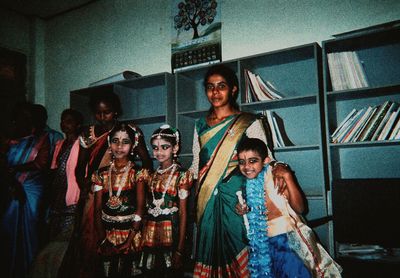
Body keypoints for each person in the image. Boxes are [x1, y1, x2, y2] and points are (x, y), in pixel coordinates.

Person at [191, 64, 288, 277]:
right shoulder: (200, 125)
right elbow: (196, 165)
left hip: (238, 198)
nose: (215, 92)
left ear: (233, 89)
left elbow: (267, 158)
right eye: (210, 87)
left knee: (241, 244)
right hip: (206, 200)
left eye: (221, 86)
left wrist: (281, 168)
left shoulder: (248, 122)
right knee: (208, 249)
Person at [60, 91, 152, 278]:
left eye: (107, 112)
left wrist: (138, 183)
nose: (102, 117)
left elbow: (146, 161)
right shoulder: (88, 133)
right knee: (89, 236)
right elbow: (80, 167)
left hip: (125, 192)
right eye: (98, 113)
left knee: (126, 242)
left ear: (116, 111)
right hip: (98, 190)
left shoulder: (130, 132)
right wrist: (86, 188)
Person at [236, 137, 342, 277]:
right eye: (242, 162)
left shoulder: (276, 178)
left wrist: (287, 176)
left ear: (266, 161)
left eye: (253, 161)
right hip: (263, 243)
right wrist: (242, 209)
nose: (247, 166)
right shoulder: (247, 184)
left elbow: (300, 209)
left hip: (287, 240)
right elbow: (253, 212)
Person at [30, 108, 84, 278]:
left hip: (73, 197)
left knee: (65, 246)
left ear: (78, 124)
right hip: (58, 197)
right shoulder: (60, 144)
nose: (64, 124)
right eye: (62, 120)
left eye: (68, 120)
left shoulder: (81, 144)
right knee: (52, 240)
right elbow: (53, 170)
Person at [0, 101, 51, 277]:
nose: (23, 119)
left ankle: (31, 267)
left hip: (32, 188)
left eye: (27, 116)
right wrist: (13, 183)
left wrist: (17, 170)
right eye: (20, 116)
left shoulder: (42, 139)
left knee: (31, 226)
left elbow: (41, 163)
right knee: (8, 226)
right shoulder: (7, 139)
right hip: (9, 187)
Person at [93, 123, 147, 277]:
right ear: (109, 143)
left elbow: (140, 209)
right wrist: (103, 240)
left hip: (131, 234)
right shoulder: (101, 175)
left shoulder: (138, 173)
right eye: (115, 141)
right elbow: (97, 210)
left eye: (125, 142)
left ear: (133, 145)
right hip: (107, 234)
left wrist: (130, 240)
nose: (119, 146)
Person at [141, 125, 194, 277]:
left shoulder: (182, 175)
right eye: (155, 148)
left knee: (171, 271)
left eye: (165, 147)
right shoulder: (150, 175)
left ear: (175, 148)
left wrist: (180, 248)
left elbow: (183, 213)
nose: (159, 152)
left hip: (172, 229)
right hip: (151, 231)